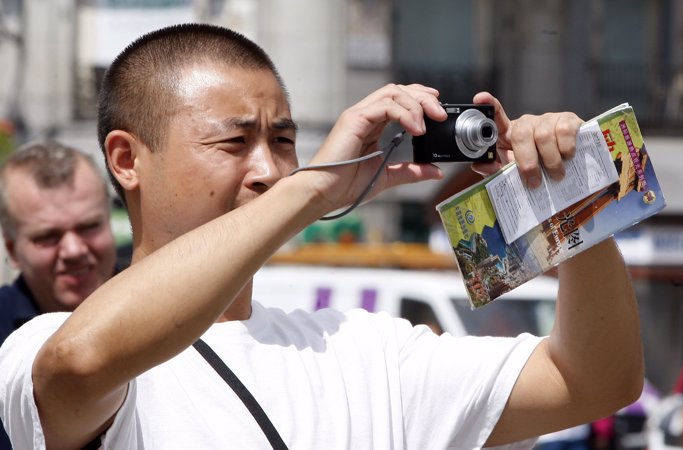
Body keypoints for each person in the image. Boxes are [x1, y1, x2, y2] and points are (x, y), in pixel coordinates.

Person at [0, 23, 643, 449]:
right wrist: (311, 190)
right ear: (126, 159)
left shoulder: (363, 349)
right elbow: (81, 364)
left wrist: (568, 196)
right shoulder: (39, 342)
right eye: (233, 141)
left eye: (283, 141)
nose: (267, 168)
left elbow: (594, 381)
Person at [0, 140, 117, 449]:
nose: (74, 250)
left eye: (89, 226)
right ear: (12, 249)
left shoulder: (166, 309)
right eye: (48, 237)